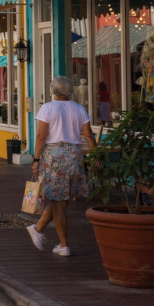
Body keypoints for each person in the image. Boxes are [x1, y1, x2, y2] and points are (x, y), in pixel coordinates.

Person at [27, 76, 97, 257]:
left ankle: (63, 245)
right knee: (62, 201)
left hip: (54, 156)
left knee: (60, 202)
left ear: (53, 90)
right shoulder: (79, 108)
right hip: (74, 155)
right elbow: (88, 135)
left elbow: (42, 136)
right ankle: (38, 228)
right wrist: (96, 156)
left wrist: (36, 159)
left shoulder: (47, 108)